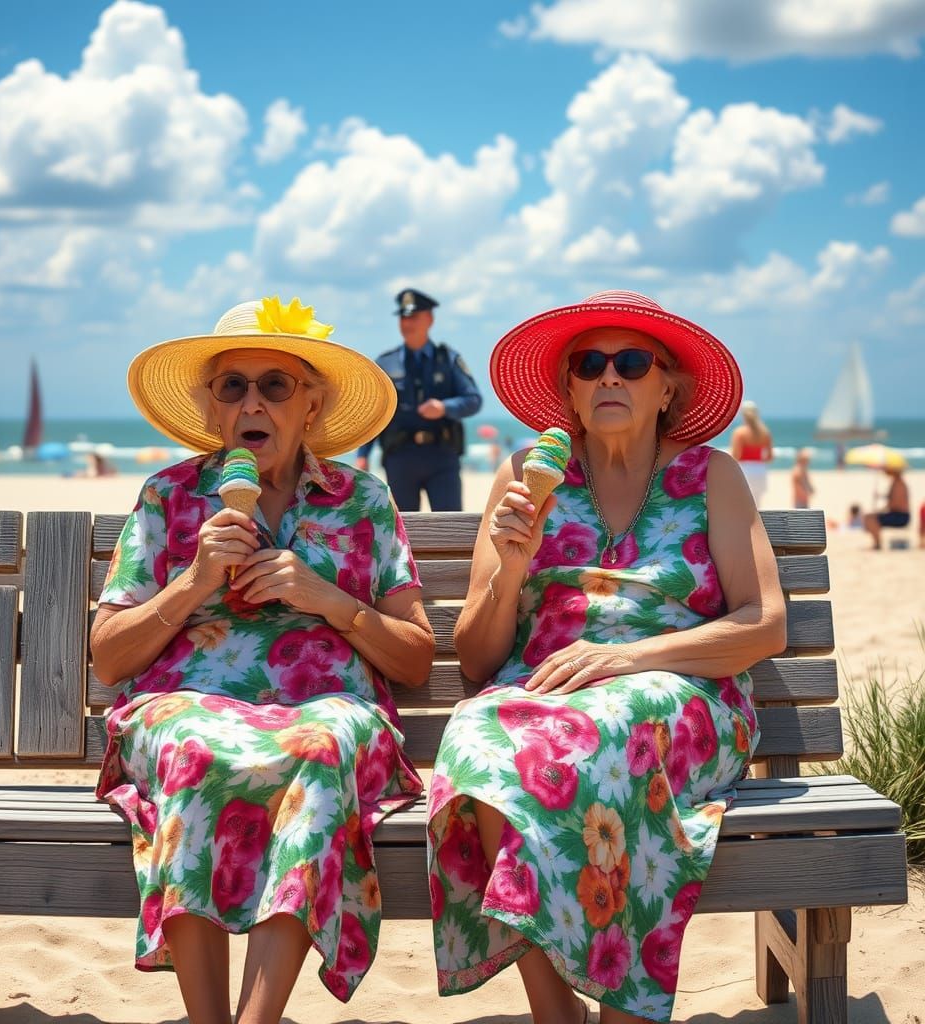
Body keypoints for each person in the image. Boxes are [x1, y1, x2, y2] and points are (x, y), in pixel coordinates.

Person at [427, 291, 786, 1024]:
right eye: (590, 365)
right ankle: (556, 1014)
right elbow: (474, 657)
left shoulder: (711, 477)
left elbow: (766, 624)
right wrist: (510, 567)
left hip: (680, 693)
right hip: (545, 694)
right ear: (569, 391)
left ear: (667, 389)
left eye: (631, 363)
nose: (609, 379)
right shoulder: (527, 476)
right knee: (473, 739)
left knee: (611, 726)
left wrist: (635, 658)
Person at [90, 296, 434, 1024]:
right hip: (187, 710)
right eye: (233, 386)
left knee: (320, 741)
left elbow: (414, 661)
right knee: (192, 743)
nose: (254, 401)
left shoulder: (362, 501)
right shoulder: (169, 497)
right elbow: (110, 658)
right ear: (213, 408)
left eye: (276, 385)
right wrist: (192, 582)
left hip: (324, 719)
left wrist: (327, 599)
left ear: (310, 405)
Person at [355, 289, 482, 511]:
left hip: (442, 457)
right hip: (400, 458)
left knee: (449, 529)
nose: (407, 322)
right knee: (405, 532)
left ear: (429, 319)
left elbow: (473, 400)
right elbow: (374, 411)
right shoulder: (386, 364)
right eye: (403, 317)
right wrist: (362, 455)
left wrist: (444, 407)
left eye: (413, 316)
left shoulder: (448, 360)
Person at [730, 399, 773, 507]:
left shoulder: (739, 433)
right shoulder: (765, 432)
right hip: (760, 469)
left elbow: (736, 456)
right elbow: (769, 457)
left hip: (745, 469)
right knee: (757, 504)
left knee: (743, 505)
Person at [863, 464, 910, 550]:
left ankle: (877, 544)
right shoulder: (896, 482)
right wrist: (880, 496)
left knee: (870, 518)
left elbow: (894, 504)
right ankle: (877, 543)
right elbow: (892, 500)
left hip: (900, 516)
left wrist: (880, 510)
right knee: (869, 517)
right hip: (898, 514)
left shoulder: (899, 484)